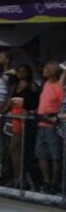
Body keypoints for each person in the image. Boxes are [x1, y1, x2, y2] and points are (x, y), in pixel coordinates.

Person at [36, 61, 63, 194]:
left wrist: (53, 116)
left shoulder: (59, 86)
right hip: (42, 124)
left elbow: (62, 106)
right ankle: (47, 181)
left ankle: (54, 181)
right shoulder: (46, 84)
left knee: (55, 155)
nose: (44, 69)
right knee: (41, 153)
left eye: (47, 68)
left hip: (52, 125)